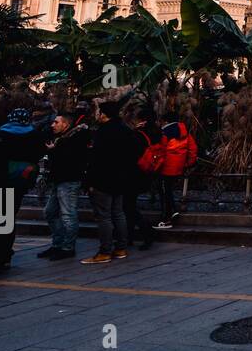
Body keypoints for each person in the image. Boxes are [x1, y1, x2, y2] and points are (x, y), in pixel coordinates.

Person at [81, 100, 138, 265]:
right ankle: (121, 248)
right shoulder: (126, 130)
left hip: (103, 179)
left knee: (103, 216)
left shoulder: (103, 132)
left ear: (104, 114)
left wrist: (90, 181)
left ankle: (105, 251)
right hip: (120, 179)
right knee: (118, 213)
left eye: (99, 112)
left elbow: (96, 158)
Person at [0, 108, 45, 272]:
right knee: (8, 217)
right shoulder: (35, 136)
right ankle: (4, 255)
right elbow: (39, 155)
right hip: (21, 181)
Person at [40, 113, 91, 260]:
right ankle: (58, 244)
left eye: (56, 122)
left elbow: (70, 160)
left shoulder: (74, 139)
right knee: (50, 212)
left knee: (68, 215)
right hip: (59, 181)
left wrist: (54, 150)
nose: (52, 125)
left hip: (69, 181)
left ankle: (68, 247)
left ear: (66, 124)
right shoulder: (62, 139)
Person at [150, 120, 196, 230]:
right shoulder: (186, 134)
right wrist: (187, 164)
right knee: (168, 190)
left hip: (165, 167)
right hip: (178, 168)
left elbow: (160, 150)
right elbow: (193, 150)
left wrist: (154, 165)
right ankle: (174, 210)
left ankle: (166, 220)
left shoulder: (165, 133)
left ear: (165, 121)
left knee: (164, 192)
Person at [126, 108, 159, 249]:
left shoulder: (138, 135)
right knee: (129, 206)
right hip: (144, 173)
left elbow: (131, 154)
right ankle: (129, 236)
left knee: (128, 207)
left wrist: (132, 131)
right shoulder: (155, 131)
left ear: (142, 120)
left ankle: (146, 233)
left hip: (133, 175)